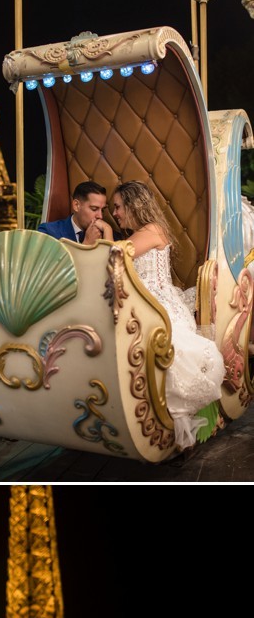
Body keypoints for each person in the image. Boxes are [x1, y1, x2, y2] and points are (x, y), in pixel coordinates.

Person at [111, 180, 224, 448]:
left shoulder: (151, 230)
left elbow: (117, 256)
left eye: (117, 207)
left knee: (166, 349)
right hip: (142, 301)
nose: (113, 214)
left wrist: (103, 236)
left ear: (133, 204)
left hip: (157, 303)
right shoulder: (142, 232)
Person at [38, 180, 112, 244]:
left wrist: (108, 229)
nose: (100, 216)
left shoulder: (107, 234)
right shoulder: (49, 232)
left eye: (102, 210)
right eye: (94, 209)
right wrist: (87, 244)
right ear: (76, 205)